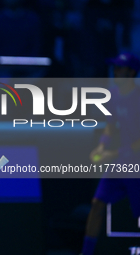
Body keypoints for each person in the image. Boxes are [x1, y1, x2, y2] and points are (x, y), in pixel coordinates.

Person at [81, 52, 140, 255]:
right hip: (119, 163)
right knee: (97, 205)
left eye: (120, 68)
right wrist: (102, 146)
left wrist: (113, 154)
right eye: (114, 67)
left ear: (131, 72)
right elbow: (111, 126)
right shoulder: (113, 95)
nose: (116, 71)